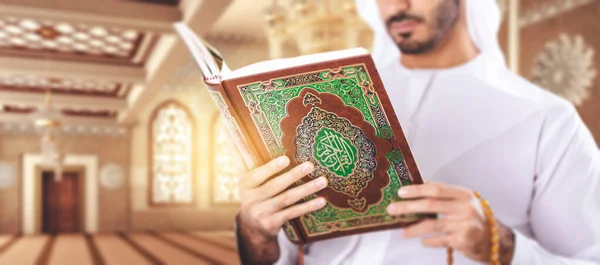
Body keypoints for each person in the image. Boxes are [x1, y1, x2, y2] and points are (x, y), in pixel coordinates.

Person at [234, 0, 600, 264]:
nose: (396, 6)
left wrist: (503, 247)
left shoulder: (545, 119)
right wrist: (256, 229)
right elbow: (284, 254)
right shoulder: (345, 93)